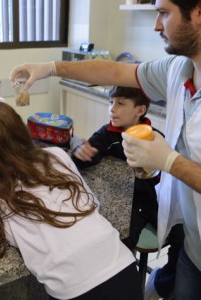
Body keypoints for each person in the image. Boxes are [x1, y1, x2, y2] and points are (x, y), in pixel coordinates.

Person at [9, 1, 201, 298]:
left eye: (164, 12)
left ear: (198, 13)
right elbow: (113, 72)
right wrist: (51, 68)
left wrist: (169, 161)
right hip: (194, 245)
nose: (156, 25)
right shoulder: (179, 69)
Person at [0, 101, 143, 300]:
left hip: (77, 290)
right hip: (123, 265)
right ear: (23, 131)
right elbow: (92, 203)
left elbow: (15, 240)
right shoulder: (56, 155)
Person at [71, 85, 184, 299]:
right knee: (123, 240)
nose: (112, 109)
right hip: (130, 201)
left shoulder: (154, 138)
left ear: (140, 110)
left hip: (156, 200)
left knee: (183, 239)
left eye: (120, 103)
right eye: (111, 102)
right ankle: (126, 288)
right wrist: (79, 151)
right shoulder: (108, 134)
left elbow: (166, 175)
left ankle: (162, 282)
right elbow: (89, 155)